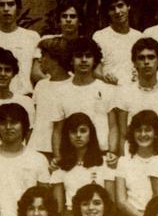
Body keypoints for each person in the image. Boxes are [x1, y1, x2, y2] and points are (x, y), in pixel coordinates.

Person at [51, 38, 119, 167]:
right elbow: (57, 130)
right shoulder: (60, 92)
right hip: (71, 158)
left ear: (95, 60)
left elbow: (113, 126)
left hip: (102, 156)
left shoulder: (107, 89)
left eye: (88, 56)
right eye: (78, 56)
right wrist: (58, 157)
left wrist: (112, 152)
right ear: (71, 60)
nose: (83, 60)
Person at [51, 113, 115, 216]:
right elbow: (58, 208)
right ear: (67, 135)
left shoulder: (105, 162)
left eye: (83, 131)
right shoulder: (60, 166)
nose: (78, 135)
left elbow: (110, 201)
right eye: (73, 132)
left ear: (91, 133)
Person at [116, 37, 158, 151]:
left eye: (151, 57)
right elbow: (123, 135)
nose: (146, 62)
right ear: (134, 63)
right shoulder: (124, 92)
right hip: (134, 154)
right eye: (141, 58)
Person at [115, 110, 158, 216]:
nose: (142, 134)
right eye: (138, 130)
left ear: (156, 133)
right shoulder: (124, 162)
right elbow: (121, 201)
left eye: (147, 130)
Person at [30, 36, 72, 159]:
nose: (40, 60)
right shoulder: (41, 85)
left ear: (56, 59)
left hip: (61, 151)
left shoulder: (74, 84)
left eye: (43, 55)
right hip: (36, 149)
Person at [93, 0, 142, 86]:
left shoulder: (139, 36)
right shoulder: (100, 36)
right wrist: (104, 78)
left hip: (133, 90)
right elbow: (94, 70)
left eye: (120, 6)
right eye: (112, 8)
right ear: (108, 12)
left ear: (128, 6)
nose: (117, 11)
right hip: (109, 89)